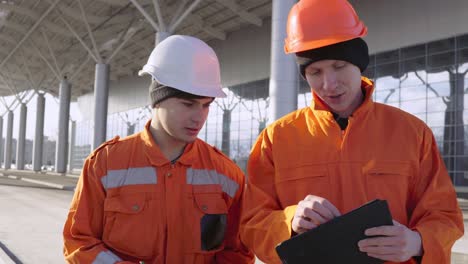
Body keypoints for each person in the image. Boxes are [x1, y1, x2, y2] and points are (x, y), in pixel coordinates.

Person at [240, 1, 464, 263]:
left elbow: (444, 215)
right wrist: (289, 222)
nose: (329, 84)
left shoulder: (412, 133)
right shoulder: (275, 139)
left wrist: (418, 242)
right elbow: (252, 224)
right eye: (315, 71)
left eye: (339, 66)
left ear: (359, 63)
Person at [63, 35, 254, 264]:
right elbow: (78, 241)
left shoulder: (227, 175)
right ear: (158, 99)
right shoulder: (105, 164)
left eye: (206, 105)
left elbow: (237, 253)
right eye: (188, 104)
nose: (199, 117)